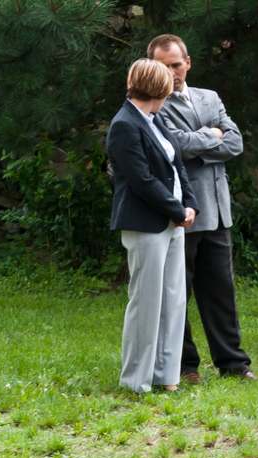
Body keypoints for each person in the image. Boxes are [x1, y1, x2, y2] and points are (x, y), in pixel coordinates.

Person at [148, 34, 255, 382]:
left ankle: (233, 363)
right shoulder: (155, 105)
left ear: (188, 62)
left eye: (176, 65)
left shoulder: (209, 97)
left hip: (218, 210)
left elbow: (236, 142)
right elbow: (174, 145)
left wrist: (200, 141)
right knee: (178, 293)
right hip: (183, 211)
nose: (172, 72)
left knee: (222, 293)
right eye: (164, 66)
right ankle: (184, 365)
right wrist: (212, 135)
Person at [106, 59, 198, 393]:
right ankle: (136, 381)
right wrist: (176, 209)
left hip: (173, 220)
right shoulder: (125, 124)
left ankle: (166, 375)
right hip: (145, 223)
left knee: (173, 300)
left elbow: (176, 165)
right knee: (146, 302)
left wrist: (189, 203)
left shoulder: (155, 120)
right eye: (168, 83)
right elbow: (140, 179)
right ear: (157, 88)